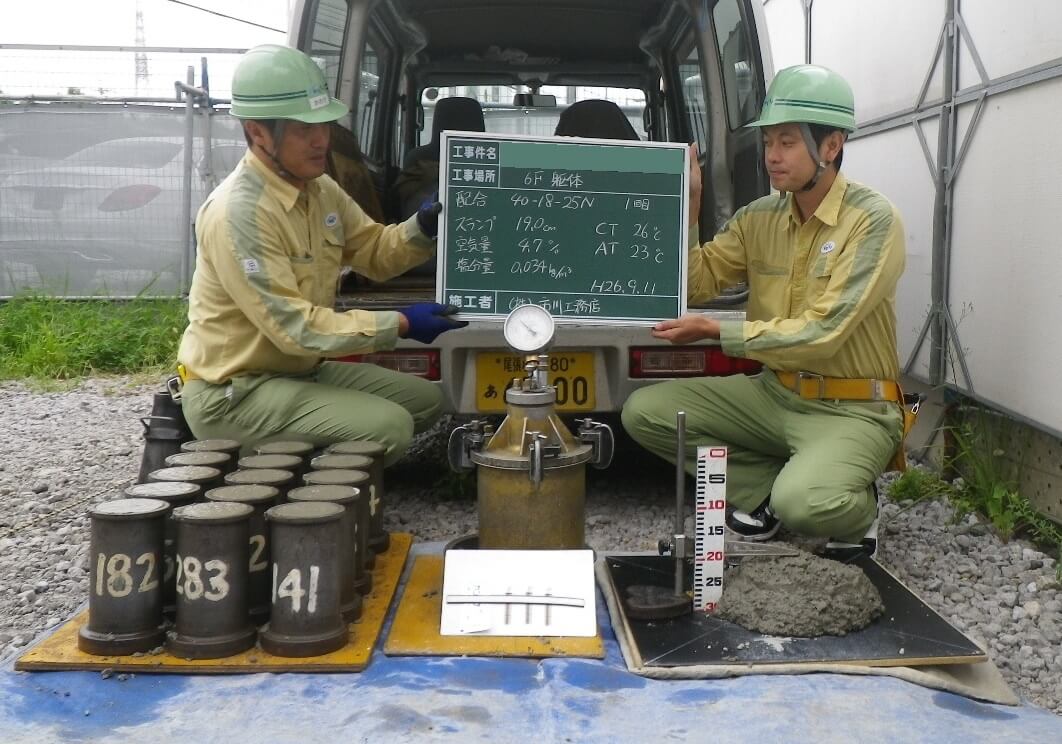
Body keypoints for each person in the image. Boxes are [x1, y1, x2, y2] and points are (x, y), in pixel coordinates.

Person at [621, 65, 906, 558]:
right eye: (769, 141)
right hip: (775, 395)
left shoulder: (873, 220)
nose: (772, 156)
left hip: (853, 406)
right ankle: (765, 491)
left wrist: (716, 331)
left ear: (831, 147)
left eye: (788, 142)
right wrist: (688, 205)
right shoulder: (759, 217)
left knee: (809, 505)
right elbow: (694, 283)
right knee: (647, 413)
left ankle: (857, 507)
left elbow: (826, 331)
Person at [176, 44, 465, 465]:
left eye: (324, 124)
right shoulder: (239, 214)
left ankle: (300, 455)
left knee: (425, 399)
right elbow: (294, 329)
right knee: (391, 427)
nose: (321, 140)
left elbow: (375, 252)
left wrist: (422, 228)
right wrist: (400, 323)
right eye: (301, 129)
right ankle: (296, 501)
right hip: (236, 391)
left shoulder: (319, 188)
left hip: (299, 370)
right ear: (257, 133)